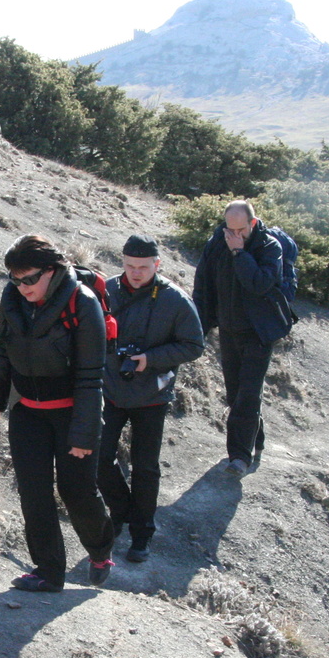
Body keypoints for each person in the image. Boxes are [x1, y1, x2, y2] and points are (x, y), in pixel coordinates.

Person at [0, 235, 116, 591]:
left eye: (29, 279)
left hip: (72, 415)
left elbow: (91, 377)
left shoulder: (82, 303)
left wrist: (84, 435)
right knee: (33, 492)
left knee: (76, 491)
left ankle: (100, 551)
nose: (21, 287)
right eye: (15, 278)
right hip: (28, 411)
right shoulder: (12, 298)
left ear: (52, 271)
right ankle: (48, 572)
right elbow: (2, 349)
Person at [97, 234, 205, 563]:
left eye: (143, 267)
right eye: (129, 266)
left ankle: (142, 533)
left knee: (145, 468)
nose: (136, 273)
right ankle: (119, 512)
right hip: (110, 390)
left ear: (157, 265)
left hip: (151, 396)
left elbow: (194, 345)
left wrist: (151, 357)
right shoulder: (107, 291)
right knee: (98, 458)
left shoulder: (174, 299)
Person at [191, 200, 293, 476]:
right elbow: (203, 285)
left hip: (259, 333)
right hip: (228, 330)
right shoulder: (216, 244)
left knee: (248, 393)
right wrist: (200, 326)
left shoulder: (269, 247)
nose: (235, 236)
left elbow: (259, 283)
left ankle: (239, 456)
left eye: (241, 230)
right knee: (236, 393)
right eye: (229, 229)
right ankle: (255, 440)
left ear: (253, 224)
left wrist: (239, 253)